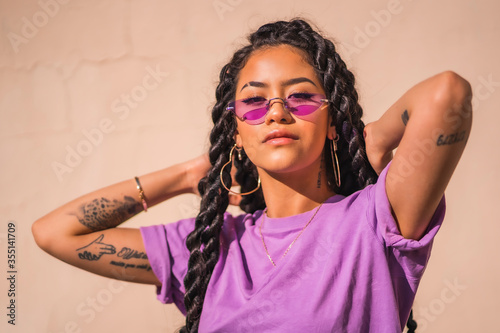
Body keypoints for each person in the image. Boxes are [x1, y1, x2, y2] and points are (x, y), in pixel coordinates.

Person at [32, 19, 472, 332]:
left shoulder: (376, 219)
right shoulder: (212, 247)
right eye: (255, 103)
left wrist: (367, 139)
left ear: (331, 120)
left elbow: (447, 95)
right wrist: (188, 174)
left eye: (300, 97)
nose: (277, 111)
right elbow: (55, 233)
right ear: (236, 132)